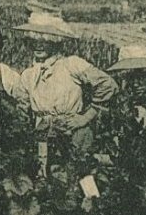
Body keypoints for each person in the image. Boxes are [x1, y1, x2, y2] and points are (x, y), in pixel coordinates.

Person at [13, 11, 117, 150]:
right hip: (42, 135)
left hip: (73, 132)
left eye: (45, 41)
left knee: (74, 167)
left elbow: (107, 85)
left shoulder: (72, 64)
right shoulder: (28, 75)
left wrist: (85, 118)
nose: (39, 46)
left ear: (55, 42)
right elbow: (22, 109)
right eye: (34, 41)